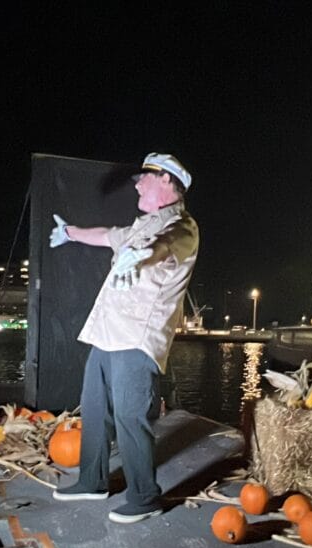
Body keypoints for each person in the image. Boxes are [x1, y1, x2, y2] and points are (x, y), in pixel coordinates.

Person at [48, 152, 198, 523]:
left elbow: (164, 244)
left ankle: (145, 497)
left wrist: (143, 256)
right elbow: (106, 235)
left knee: (131, 416)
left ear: (167, 181)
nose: (136, 183)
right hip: (108, 333)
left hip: (136, 338)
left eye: (143, 177)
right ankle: (92, 481)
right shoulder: (139, 226)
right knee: (95, 409)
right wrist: (69, 232)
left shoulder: (183, 227)